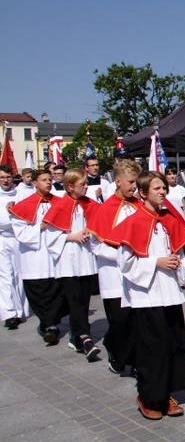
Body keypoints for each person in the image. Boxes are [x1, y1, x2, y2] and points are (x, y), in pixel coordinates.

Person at [106, 171, 185, 421]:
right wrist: (156, 262)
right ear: (143, 193)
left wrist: (178, 269)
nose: (163, 192)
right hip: (147, 294)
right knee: (152, 348)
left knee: (173, 345)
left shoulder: (169, 218)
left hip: (170, 293)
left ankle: (166, 393)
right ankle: (148, 396)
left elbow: (178, 249)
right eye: (156, 188)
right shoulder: (134, 221)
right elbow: (125, 262)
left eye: (164, 187)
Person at [88, 159, 143, 374]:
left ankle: (136, 361)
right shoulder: (106, 209)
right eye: (130, 182)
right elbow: (96, 244)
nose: (134, 187)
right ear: (118, 181)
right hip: (114, 274)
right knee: (119, 321)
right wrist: (123, 256)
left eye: (136, 182)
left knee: (136, 320)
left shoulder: (138, 205)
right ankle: (115, 350)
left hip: (137, 273)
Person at [42, 169, 102, 361]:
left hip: (85, 258)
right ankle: (85, 337)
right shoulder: (60, 206)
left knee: (84, 299)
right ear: (69, 186)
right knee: (74, 299)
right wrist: (72, 236)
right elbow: (50, 236)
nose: (86, 186)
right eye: (82, 184)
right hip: (68, 260)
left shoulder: (89, 204)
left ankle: (76, 335)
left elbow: (100, 223)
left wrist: (89, 231)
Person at [10, 169, 67, 344]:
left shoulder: (59, 202)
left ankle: (50, 324)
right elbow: (20, 230)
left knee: (57, 288)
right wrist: (39, 228)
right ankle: (48, 324)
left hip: (55, 253)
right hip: (35, 254)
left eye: (50, 179)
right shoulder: (24, 204)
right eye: (44, 180)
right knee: (39, 290)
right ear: (35, 183)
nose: (49, 182)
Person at [0, 165, 30, 330]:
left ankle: (20, 311)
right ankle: (9, 313)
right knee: (6, 276)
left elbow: (28, 217)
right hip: (2, 238)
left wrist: (15, 211)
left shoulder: (20, 194)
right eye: (2, 177)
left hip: (18, 238)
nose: (5, 180)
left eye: (8, 177)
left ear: (13, 178)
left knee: (19, 275)